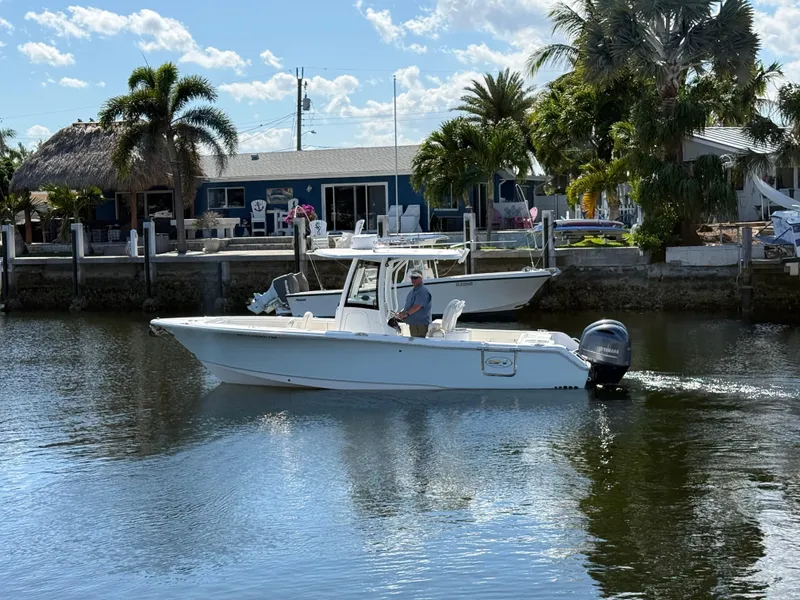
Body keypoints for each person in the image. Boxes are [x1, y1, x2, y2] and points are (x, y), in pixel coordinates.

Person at [397, 269, 432, 338]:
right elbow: (409, 306)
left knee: (419, 343)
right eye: (412, 278)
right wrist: (401, 313)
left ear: (421, 278)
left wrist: (406, 314)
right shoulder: (413, 291)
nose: (413, 280)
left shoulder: (422, 291)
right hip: (413, 324)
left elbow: (417, 306)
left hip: (420, 324)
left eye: (415, 278)